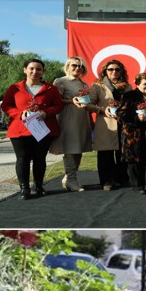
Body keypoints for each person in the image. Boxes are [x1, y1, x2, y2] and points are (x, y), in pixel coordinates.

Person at [0, 58, 63, 200]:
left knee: (40, 158)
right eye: (31, 68)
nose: (35, 71)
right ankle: (24, 188)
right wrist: (20, 113)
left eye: (38, 69)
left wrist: (46, 112)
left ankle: (39, 186)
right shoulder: (14, 88)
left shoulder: (51, 89)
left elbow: (59, 106)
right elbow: (6, 106)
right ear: (25, 70)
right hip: (20, 130)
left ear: (43, 72)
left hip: (43, 129)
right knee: (22, 159)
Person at [49, 56, 93, 192]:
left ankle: (69, 177)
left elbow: (87, 102)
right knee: (70, 148)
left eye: (80, 66)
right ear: (67, 66)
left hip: (82, 118)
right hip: (68, 118)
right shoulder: (60, 82)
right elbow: (55, 101)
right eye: (74, 65)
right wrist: (71, 101)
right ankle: (72, 180)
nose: (77, 68)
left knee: (79, 149)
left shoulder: (83, 84)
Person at [86, 59, 130, 190]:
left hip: (124, 123)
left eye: (117, 69)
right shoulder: (98, 86)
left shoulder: (127, 86)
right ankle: (107, 181)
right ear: (105, 71)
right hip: (106, 123)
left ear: (121, 71)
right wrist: (101, 110)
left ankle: (122, 179)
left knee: (123, 153)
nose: (114, 72)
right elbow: (88, 104)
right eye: (110, 69)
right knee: (106, 154)